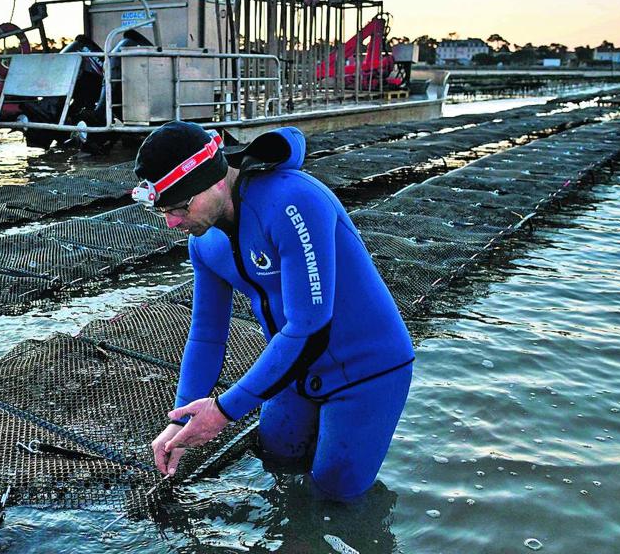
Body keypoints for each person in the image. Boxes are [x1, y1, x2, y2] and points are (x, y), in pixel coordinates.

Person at [131, 120, 415, 501]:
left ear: (214, 181)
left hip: (367, 370)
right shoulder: (204, 243)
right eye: (162, 211)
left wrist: (223, 411)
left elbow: (310, 327)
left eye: (180, 206)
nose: (172, 222)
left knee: (334, 497)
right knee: (277, 457)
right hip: (295, 371)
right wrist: (181, 420)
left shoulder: (291, 202)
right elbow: (207, 335)